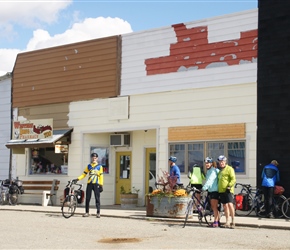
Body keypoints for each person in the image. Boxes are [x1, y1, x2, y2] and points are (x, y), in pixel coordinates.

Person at [73, 153, 104, 218]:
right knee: (87, 198)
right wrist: (78, 179)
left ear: (97, 158)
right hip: (89, 183)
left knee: (97, 198)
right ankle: (87, 212)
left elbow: (101, 176)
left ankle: (98, 213)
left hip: (96, 183)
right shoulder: (89, 166)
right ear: (91, 158)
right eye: (93, 157)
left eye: (95, 158)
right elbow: (84, 174)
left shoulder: (99, 166)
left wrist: (101, 184)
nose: (94, 159)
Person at [217, 155, 236, 228]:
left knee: (230, 204)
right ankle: (227, 221)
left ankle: (233, 220)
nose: (221, 163)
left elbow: (233, 179)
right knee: (225, 206)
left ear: (225, 162)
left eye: (222, 162)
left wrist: (229, 185)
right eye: (220, 162)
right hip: (221, 190)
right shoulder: (220, 171)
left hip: (228, 190)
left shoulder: (229, 169)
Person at [202, 157, 220, 227]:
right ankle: (217, 221)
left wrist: (204, 188)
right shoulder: (209, 171)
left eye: (208, 163)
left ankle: (215, 222)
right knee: (213, 207)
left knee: (214, 207)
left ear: (211, 163)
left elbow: (210, 180)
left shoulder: (213, 171)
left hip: (214, 191)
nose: (207, 164)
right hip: (210, 190)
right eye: (206, 163)